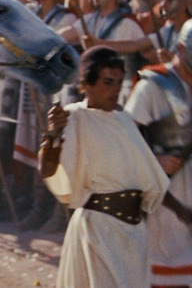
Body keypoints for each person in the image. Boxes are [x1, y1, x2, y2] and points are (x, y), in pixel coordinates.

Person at [42, 46, 171, 287]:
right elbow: (50, 171)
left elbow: (147, 177)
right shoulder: (73, 117)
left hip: (133, 233)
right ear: (86, 84)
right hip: (98, 231)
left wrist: (178, 209)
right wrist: (53, 135)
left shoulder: (123, 119)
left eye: (119, 83)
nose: (115, 90)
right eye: (108, 82)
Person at [125, 17, 192, 287]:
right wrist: (155, 160)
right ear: (182, 48)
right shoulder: (153, 84)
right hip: (166, 187)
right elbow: (126, 135)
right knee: (167, 274)